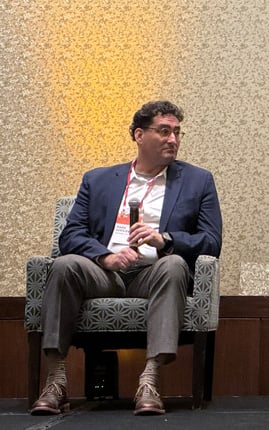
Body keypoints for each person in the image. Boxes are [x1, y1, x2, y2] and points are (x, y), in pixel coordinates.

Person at [30, 100, 223, 416]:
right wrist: (105, 257)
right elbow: (71, 235)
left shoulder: (197, 180)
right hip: (104, 274)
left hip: (154, 272)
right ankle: (56, 379)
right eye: (164, 131)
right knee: (64, 265)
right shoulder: (98, 180)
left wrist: (165, 239)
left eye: (177, 132)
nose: (173, 139)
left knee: (174, 264)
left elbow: (212, 241)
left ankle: (150, 380)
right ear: (139, 135)